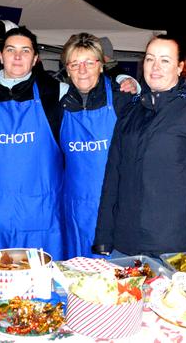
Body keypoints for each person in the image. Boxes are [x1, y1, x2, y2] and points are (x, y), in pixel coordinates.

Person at [92, 34, 186, 258]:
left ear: (179, 67)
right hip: (125, 243)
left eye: (165, 60)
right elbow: (113, 176)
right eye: (149, 59)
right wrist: (103, 238)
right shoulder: (131, 110)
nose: (155, 67)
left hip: (174, 245)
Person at [0, 26, 65, 276]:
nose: (17, 57)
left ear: (35, 59)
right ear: (0, 56)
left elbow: (92, 84)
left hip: (40, 216)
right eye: (11, 50)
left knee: (40, 293)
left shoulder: (57, 94)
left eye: (25, 50)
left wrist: (122, 78)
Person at [59, 33, 136, 259]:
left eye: (89, 62)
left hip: (114, 207)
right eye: (75, 63)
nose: (82, 70)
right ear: (67, 69)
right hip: (74, 208)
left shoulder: (122, 100)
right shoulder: (57, 104)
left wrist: (131, 82)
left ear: (101, 66)